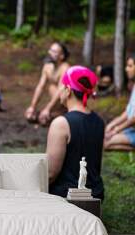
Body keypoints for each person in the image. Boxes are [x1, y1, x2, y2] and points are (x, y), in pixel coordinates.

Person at [47, 66, 105, 200]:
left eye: (61, 87)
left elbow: (50, 173)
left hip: (66, 197)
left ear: (68, 91)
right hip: (95, 194)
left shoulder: (61, 124)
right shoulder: (99, 122)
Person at [25, 42, 70, 126]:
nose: (50, 53)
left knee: (53, 87)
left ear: (62, 56)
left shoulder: (65, 68)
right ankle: (51, 114)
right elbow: (40, 87)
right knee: (30, 115)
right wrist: (32, 106)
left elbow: (61, 91)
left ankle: (59, 114)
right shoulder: (47, 66)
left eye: (54, 52)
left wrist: (47, 109)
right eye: (50, 50)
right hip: (56, 102)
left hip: (66, 102)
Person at [104, 54, 135, 151]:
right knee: (104, 136)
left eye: (130, 66)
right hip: (131, 129)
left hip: (133, 130)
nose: (126, 69)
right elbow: (127, 112)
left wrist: (117, 129)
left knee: (105, 142)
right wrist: (111, 125)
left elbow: (134, 118)